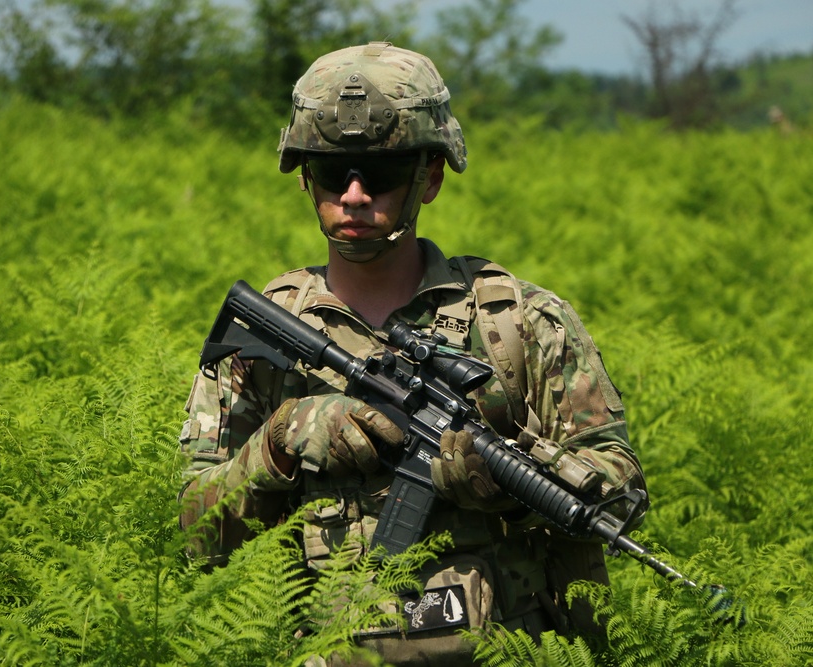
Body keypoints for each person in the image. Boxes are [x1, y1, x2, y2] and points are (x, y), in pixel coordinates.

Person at [178, 42, 647, 666]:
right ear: (303, 177)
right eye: (329, 172)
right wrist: (281, 442)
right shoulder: (269, 335)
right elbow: (192, 535)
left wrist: (511, 473)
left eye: (381, 174)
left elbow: (621, 494)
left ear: (430, 176)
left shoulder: (520, 323)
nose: (352, 195)